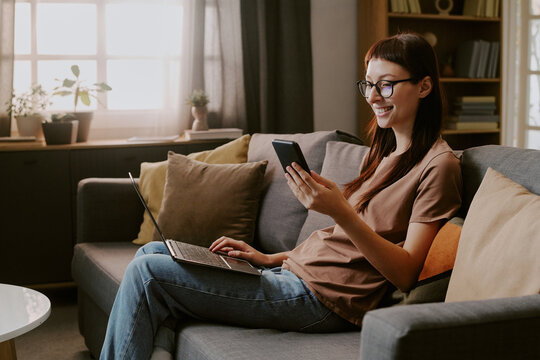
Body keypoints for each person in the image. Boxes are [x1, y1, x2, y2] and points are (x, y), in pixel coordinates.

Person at [99, 32, 462, 360]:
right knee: (153, 251)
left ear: (424, 86)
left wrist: (341, 212)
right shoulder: (382, 154)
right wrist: (268, 257)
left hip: (322, 301)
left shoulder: (439, 165)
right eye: (367, 85)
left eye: (385, 86)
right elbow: (339, 245)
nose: (372, 97)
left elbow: (407, 272)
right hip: (293, 277)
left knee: (149, 273)